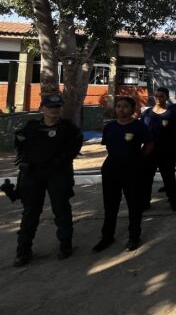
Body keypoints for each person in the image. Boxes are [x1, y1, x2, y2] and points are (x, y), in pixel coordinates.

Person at [12, 94, 83, 267]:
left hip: (57, 174)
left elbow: (74, 147)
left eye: (57, 107)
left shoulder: (68, 129)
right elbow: (20, 145)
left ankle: (65, 245)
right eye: (50, 107)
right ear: (42, 108)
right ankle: (23, 250)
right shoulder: (31, 127)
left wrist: (61, 159)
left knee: (61, 210)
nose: (54, 110)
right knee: (30, 212)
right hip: (33, 174)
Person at [93, 96, 153, 254]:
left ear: (132, 109)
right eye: (118, 106)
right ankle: (107, 236)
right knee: (110, 204)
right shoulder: (110, 127)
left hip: (133, 169)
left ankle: (134, 236)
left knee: (134, 204)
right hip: (111, 168)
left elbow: (149, 144)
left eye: (125, 106)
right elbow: (108, 145)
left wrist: (139, 159)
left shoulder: (139, 126)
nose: (121, 109)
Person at [141, 87, 176, 212]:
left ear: (167, 97)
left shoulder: (173, 114)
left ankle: (173, 201)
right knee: (146, 179)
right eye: (156, 96)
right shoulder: (146, 113)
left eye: (161, 96)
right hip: (149, 152)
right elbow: (141, 131)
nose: (158, 98)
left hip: (167, 153)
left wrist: (171, 146)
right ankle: (145, 202)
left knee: (169, 178)